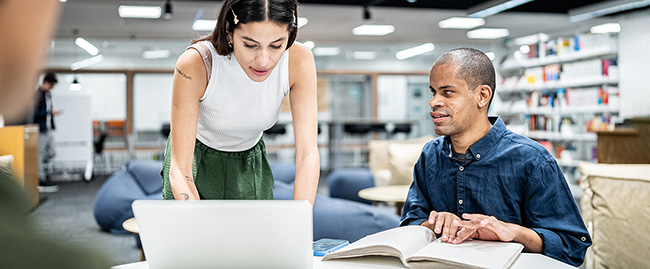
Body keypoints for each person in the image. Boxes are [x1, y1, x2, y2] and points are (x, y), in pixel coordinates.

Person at [400, 48, 591, 266]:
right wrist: (432, 224)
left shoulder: (532, 160)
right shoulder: (430, 155)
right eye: (433, 91)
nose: (433, 102)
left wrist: (512, 232)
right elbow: (409, 222)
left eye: (447, 92)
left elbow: (572, 246)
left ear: (482, 96)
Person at [162, 0, 319, 204]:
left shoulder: (299, 60)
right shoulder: (195, 63)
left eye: (276, 45)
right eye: (250, 45)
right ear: (229, 31)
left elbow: (307, 155)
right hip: (194, 160)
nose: (264, 60)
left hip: (250, 162)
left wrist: (301, 222)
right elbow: (180, 169)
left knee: (253, 235)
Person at [0, 0, 109, 268]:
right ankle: (40, 180)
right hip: (38, 131)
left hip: (46, 130)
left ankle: (42, 179)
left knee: (47, 155)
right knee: (42, 156)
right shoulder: (68, 261)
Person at [33, 71, 61, 193]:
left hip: (48, 129)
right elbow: (34, 113)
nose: (52, 87)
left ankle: (39, 168)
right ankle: (41, 177)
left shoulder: (48, 95)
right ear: (46, 83)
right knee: (40, 154)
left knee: (51, 152)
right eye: (51, 85)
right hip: (40, 128)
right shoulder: (38, 95)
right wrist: (49, 112)